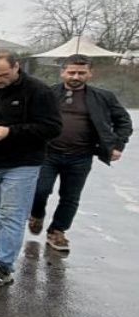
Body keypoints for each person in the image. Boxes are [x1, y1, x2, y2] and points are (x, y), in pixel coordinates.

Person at [0, 49, 62, 287]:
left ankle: (2, 266)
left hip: (22, 163)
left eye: (2, 75)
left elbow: (52, 127)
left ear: (17, 67)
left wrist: (10, 132)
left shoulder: (38, 91)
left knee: (11, 214)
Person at [28, 55, 132, 252]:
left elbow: (123, 122)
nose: (76, 76)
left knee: (70, 196)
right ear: (63, 72)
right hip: (48, 153)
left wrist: (118, 145)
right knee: (40, 189)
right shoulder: (48, 93)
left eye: (81, 73)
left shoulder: (103, 97)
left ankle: (57, 231)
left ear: (90, 73)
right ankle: (36, 214)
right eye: (72, 72)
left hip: (81, 156)